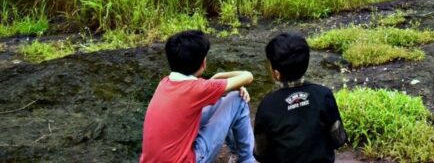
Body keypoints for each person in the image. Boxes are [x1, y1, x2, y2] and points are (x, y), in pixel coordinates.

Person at [140, 30, 256, 163]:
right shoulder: (198, 89)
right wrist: (223, 77)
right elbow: (248, 76)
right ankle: (248, 159)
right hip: (187, 160)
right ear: (203, 63)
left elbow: (207, 87)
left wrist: (218, 78)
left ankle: (236, 153)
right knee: (237, 99)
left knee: (219, 101)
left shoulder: (165, 82)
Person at [254, 32, 346, 163]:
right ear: (306, 64)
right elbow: (338, 139)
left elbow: (261, 153)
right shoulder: (323, 94)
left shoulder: (267, 105)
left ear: (276, 74)